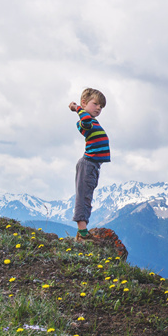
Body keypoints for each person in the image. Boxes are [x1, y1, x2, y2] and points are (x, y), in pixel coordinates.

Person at [68, 88, 111, 241]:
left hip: (94, 165)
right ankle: (82, 231)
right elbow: (84, 120)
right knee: (83, 196)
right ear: (84, 103)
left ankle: (83, 229)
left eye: (101, 107)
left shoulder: (93, 121)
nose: (99, 108)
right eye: (96, 104)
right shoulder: (84, 122)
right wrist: (76, 108)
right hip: (88, 163)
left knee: (88, 196)